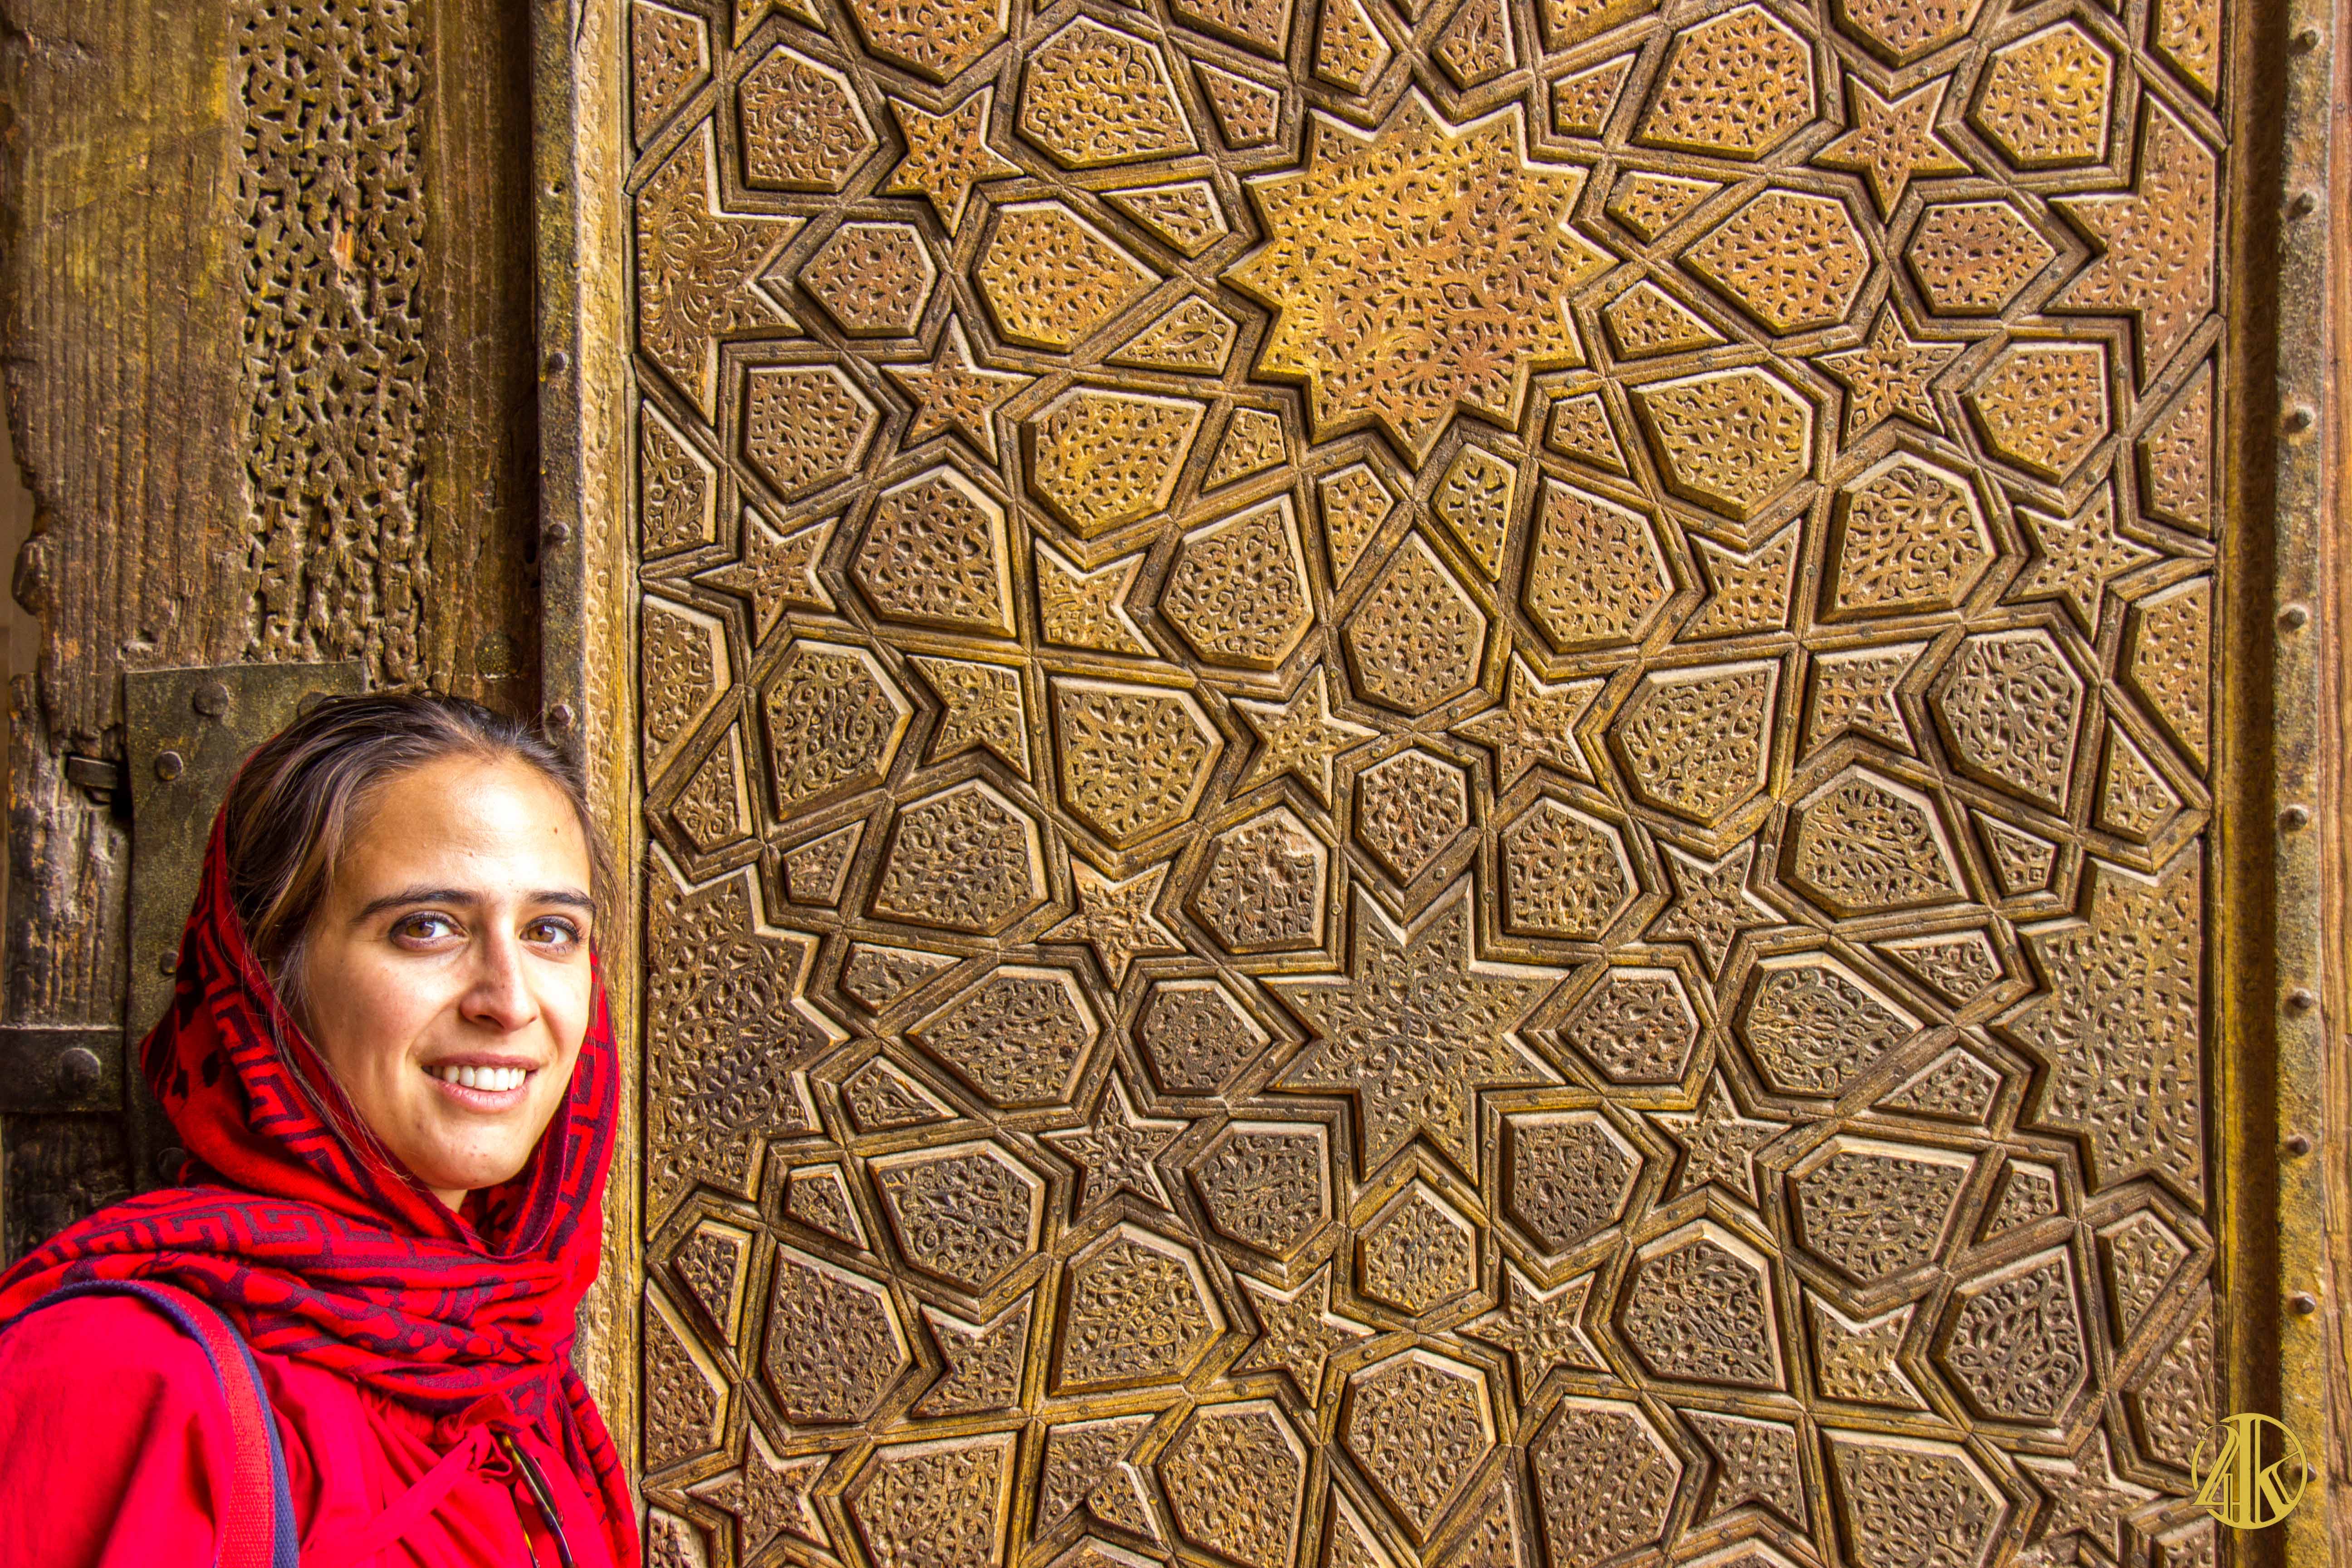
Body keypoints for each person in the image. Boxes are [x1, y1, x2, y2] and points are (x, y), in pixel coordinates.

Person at [0, 692, 636, 1567]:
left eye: (551, 932)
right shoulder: (121, 1376)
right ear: (266, 975)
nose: (511, 999)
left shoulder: (517, 1370)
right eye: (426, 928)